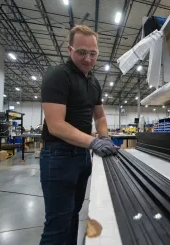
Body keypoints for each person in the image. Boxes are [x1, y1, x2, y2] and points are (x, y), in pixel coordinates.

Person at [39, 25, 117, 245]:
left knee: (73, 215)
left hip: (82, 156)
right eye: (82, 52)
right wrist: (93, 141)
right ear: (69, 49)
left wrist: (104, 137)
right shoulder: (58, 76)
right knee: (57, 225)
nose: (88, 58)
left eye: (93, 53)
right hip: (59, 156)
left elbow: (100, 117)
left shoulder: (93, 82)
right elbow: (56, 125)